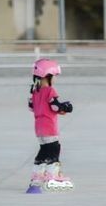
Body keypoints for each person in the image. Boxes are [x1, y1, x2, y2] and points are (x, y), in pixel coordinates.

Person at [26, 58, 74, 193]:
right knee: (54, 150)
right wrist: (66, 107)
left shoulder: (35, 91)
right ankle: (53, 178)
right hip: (49, 127)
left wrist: (60, 109)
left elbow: (32, 108)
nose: (55, 79)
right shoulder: (50, 91)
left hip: (39, 128)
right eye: (54, 76)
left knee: (43, 152)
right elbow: (54, 106)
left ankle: (35, 182)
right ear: (47, 76)